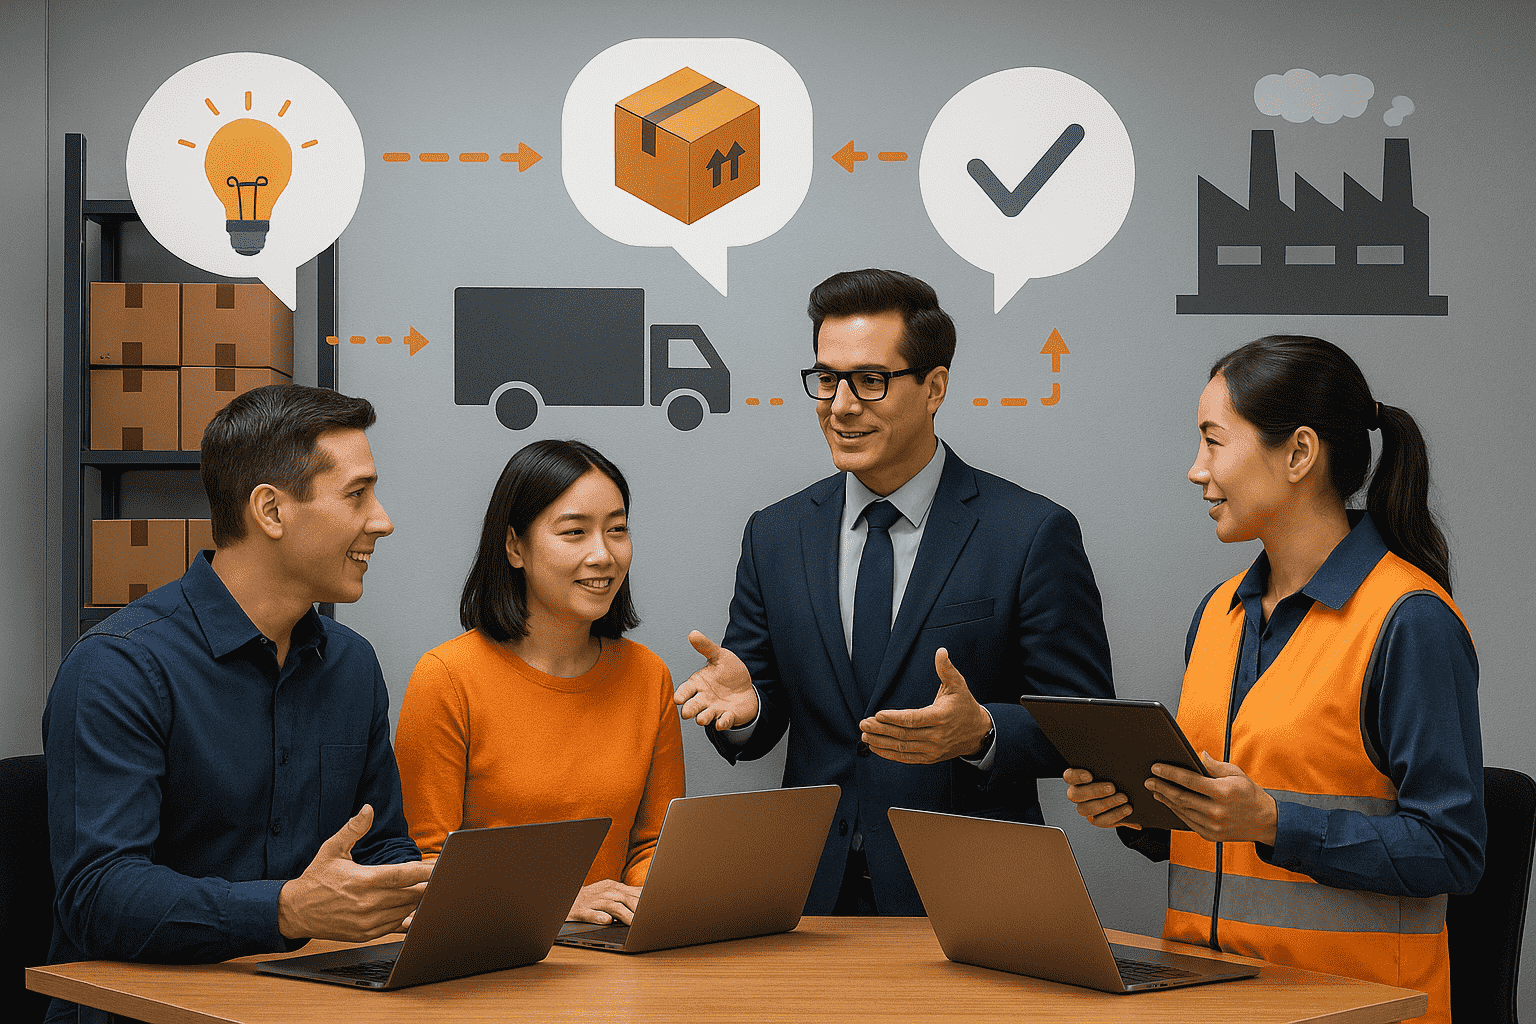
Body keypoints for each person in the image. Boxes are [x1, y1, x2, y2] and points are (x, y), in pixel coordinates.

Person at [1065, 335, 1483, 1024]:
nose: (1196, 470)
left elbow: (1452, 852)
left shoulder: (1409, 621)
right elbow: (1218, 833)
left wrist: (1273, 823)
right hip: (1201, 1000)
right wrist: (1139, 812)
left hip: (1356, 1009)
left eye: (1213, 441)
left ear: (1298, 454)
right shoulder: (1219, 612)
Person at [674, 268, 1114, 915]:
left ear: (934, 387)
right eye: (827, 379)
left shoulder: (1029, 532)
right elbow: (761, 706)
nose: (841, 405)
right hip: (811, 899)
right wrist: (747, 713)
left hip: (971, 900)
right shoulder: (776, 533)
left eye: (871, 380)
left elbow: (1085, 722)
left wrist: (983, 731)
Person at [43, 384, 432, 1024]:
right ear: (271, 511)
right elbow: (98, 896)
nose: (381, 520)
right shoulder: (119, 667)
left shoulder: (352, 664)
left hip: (302, 1002)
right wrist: (286, 910)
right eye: (357, 494)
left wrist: (476, 902)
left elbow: (382, 847)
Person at [394, 439, 684, 926]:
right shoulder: (446, 677)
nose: (603, 554)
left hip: (612, 949)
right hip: (488, 952)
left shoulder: (648, 675)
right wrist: (559, 903)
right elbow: (424, 867)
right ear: (514, 547)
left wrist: (649, 902)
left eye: (617, 530)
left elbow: (653, 845)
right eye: (574, 533)